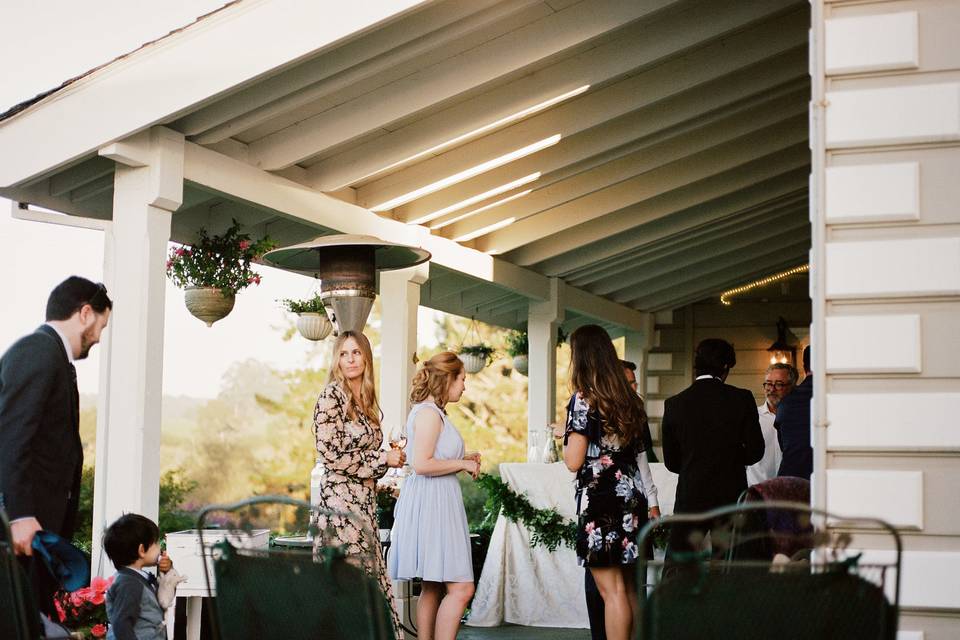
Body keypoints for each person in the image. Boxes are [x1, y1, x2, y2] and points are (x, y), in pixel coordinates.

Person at [0, 276, 111, 616]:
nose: (98, 336)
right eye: (101, 326)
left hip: (38, 532)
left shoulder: (50, 356)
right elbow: (11, 436)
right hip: (24, 531)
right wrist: (19, 516)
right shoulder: (37, 351)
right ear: (86, 313)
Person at [562, 325, 659, 640]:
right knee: (630, 588)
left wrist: (563, 438)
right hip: (632, 497)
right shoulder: (629, 399)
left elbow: (573, 460)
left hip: (602, 499)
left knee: (611, 591)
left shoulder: (584, 398)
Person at [311, 331, 405, 635]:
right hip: (340, 509)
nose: (350, 359)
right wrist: (382, 460)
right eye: (344, 353)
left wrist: (385, 465)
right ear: (337, 360)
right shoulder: (331, 396)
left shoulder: (365, 401)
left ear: (366, 357)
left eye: (356, 353)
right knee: (349, 585)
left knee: (369, 583)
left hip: (363, 505)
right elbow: (331, 455)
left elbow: (363, 456)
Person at [388, 352, 480, 640]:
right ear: (448, 378)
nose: (464, 386)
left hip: (437, 501)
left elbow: (432, 456)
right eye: (462, 379)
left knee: (432, 586)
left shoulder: (433, 412)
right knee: (462, 589)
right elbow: (422, 463)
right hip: (433, 505)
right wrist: (462, 464)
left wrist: (462, 456)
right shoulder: (428, 413)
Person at [661, 338, 764, 559]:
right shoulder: (742, 399)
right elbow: (756, 451)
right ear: (725, 366)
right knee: (730, 565)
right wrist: (732, 459)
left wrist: (694, 465)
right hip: (730, 496)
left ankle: (675, 594)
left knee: (680, 563)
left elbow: (671, 461)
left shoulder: (674, 403)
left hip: (691, 495)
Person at [103, 514, 175, 640]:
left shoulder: (138, 578)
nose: (160, 547)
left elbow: (165, 597)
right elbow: (122, 623)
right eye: (156, 543)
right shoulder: (128, 583)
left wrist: (167, 571)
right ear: (142, 550)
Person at [747, 363, 794, 486]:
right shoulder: (752, 417)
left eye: (779, 384)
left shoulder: (798, 419)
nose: (772, 389)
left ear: (792, 387)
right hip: (757, 495)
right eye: (768, 383)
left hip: (791, 493)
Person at [776, 346, 813, 480]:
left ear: (804, 367)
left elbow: (783, 445)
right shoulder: (834, 397)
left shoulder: (786, 402)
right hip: (825, 480)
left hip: (790, 481)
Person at [620, 359, 658, 463]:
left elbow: (647, 451)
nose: (634, 387)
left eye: (635, 383)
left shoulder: (638, 411)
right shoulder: (599, 412)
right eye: (630, 383)